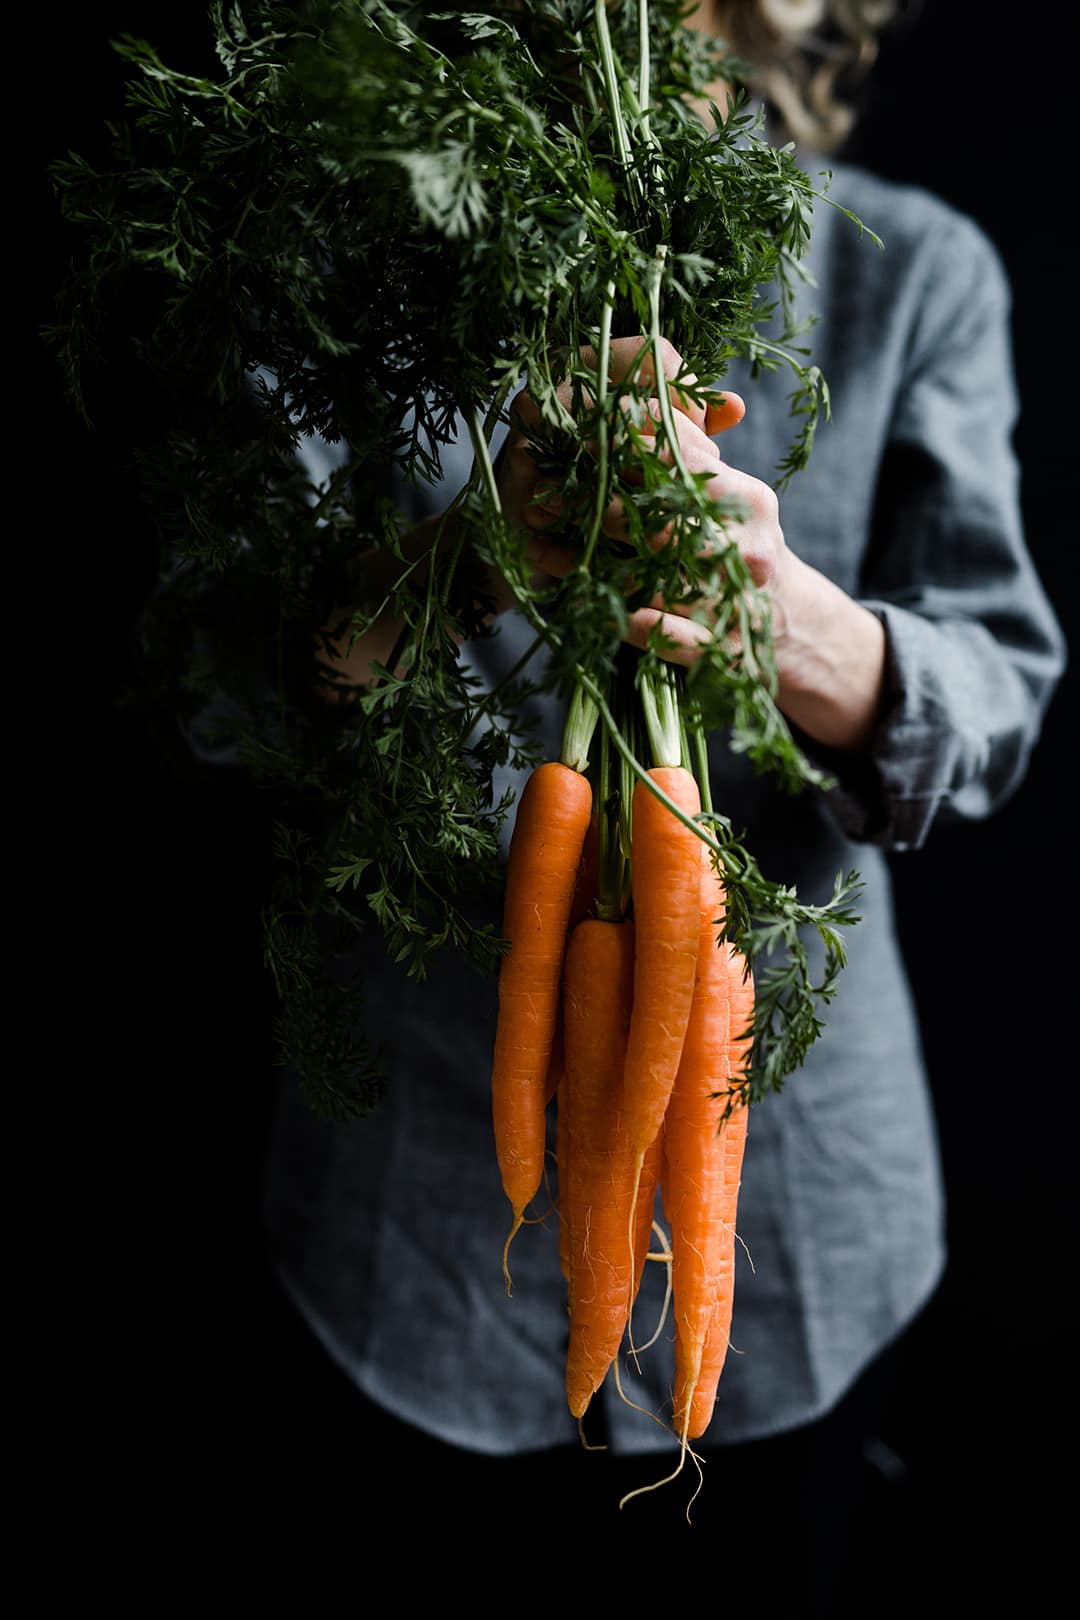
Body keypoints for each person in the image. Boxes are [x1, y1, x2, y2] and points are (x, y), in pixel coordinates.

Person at [217, 0, 1063, 1607]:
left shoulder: (913, 269)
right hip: (412, 1192)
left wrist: (795, 623)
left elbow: (1002, 684)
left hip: (803, 1201)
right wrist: (464, 561)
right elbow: (215, 689)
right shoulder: (351, 274)